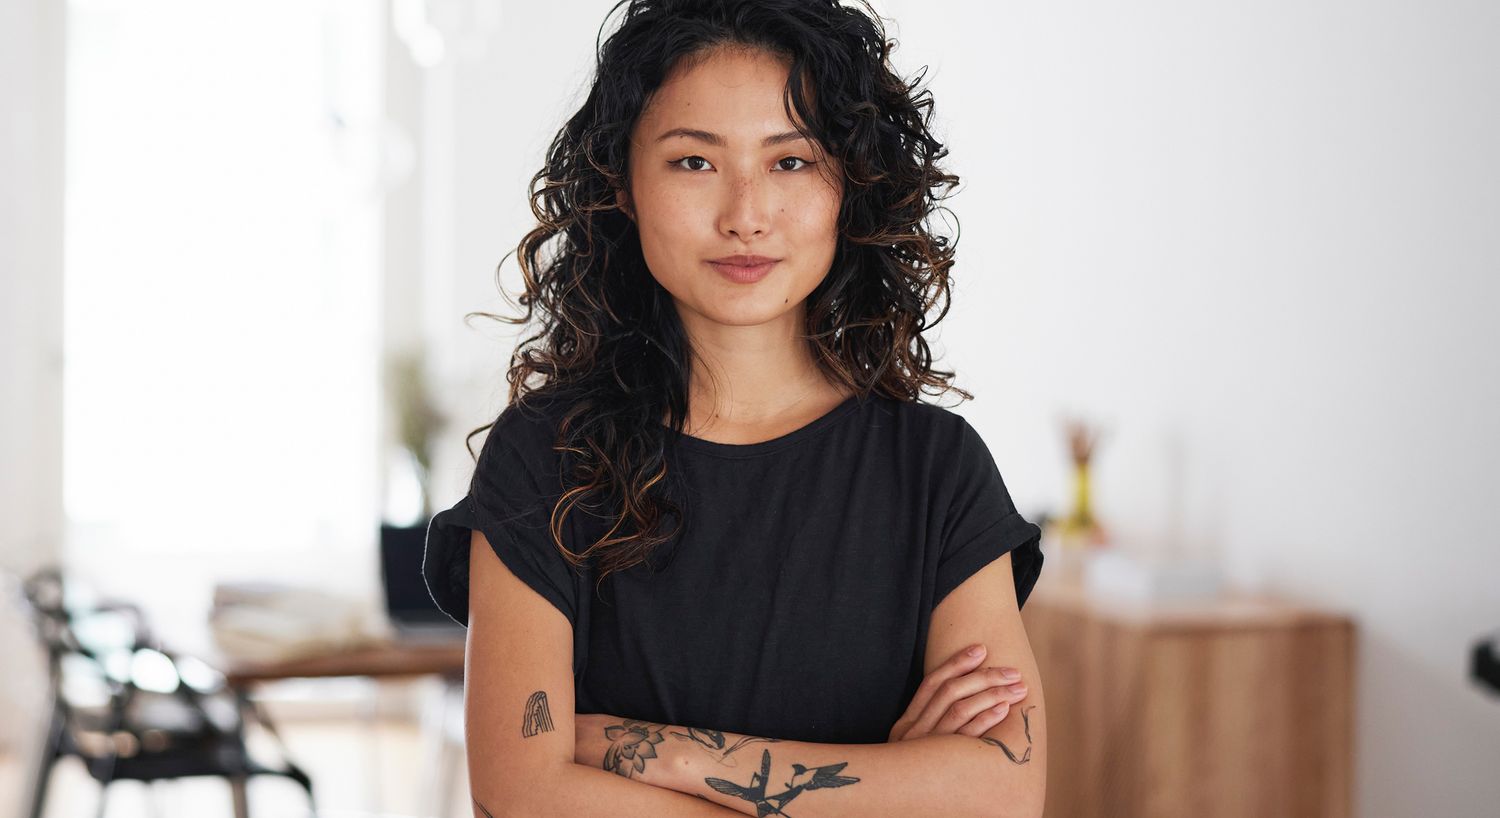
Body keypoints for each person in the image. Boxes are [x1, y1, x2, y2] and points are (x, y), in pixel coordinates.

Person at [422, 1, 1048, 815]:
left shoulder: (937, 470)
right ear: (624, 185)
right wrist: (884, 790)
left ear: (850, 187)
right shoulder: (545, 458)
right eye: (694, 162)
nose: (745, 215)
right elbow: (522, 798)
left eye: (791, 163)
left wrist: (658, 755)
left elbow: (1003, 797)